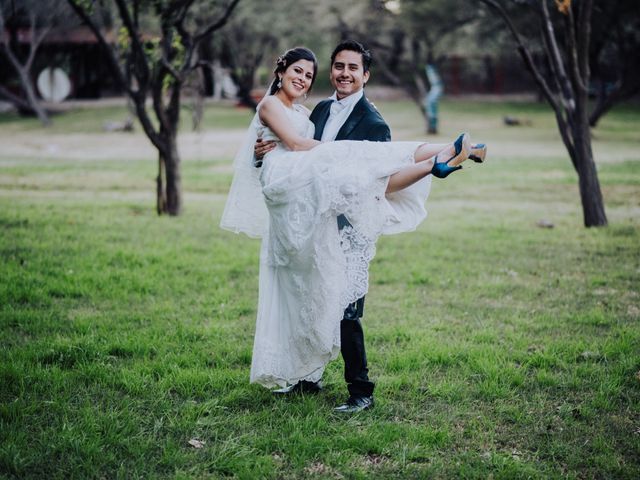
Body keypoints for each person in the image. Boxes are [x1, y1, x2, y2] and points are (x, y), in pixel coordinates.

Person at [221, 45, 486, 413]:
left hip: (349, 224)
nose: (344, 73)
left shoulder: (373, 122)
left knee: (347, 308)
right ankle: (306, 377)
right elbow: (287, 147)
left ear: (366, 75)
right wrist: (265, 152)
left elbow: (382, 181)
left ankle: (360, 391)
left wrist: (335, 154)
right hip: (310, 217)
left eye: (352, 68)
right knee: (309, 300)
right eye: (337, 67)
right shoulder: (319, 109)